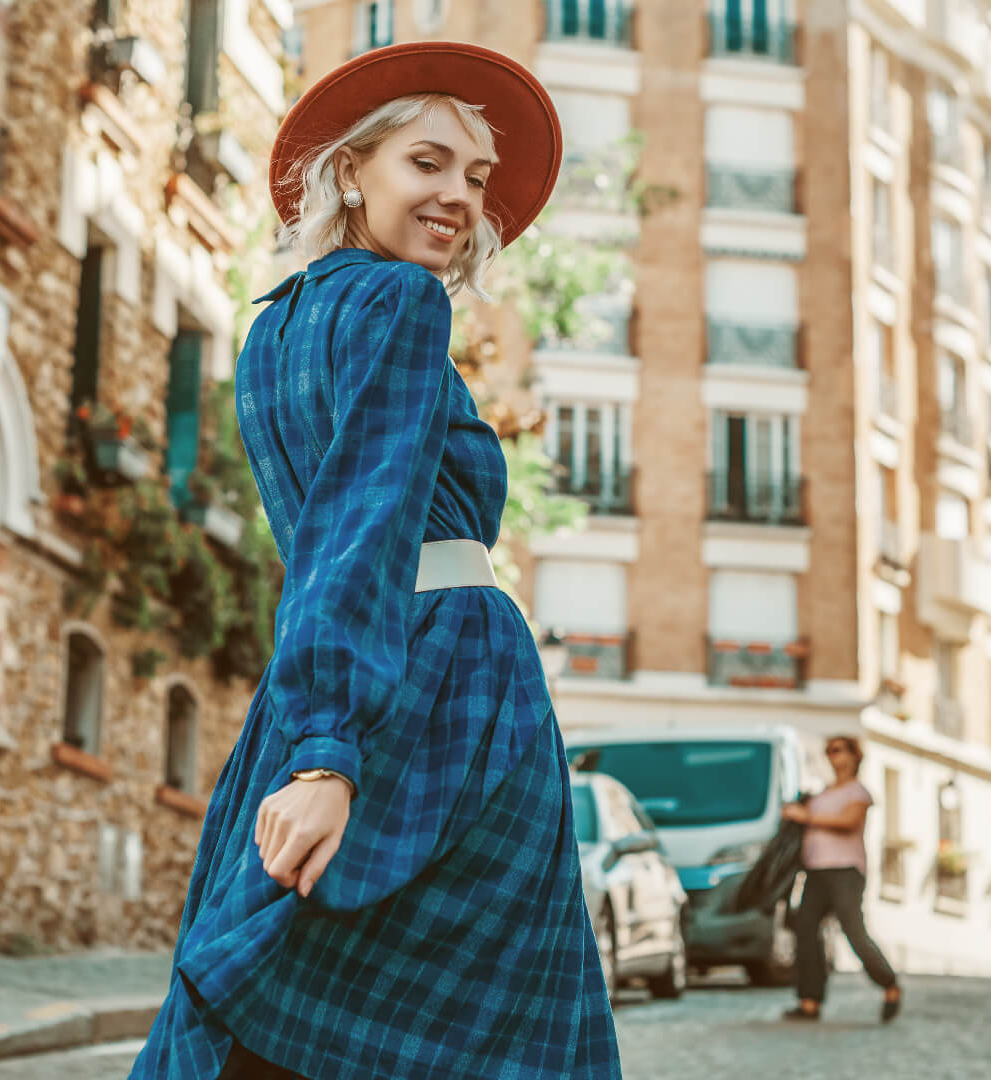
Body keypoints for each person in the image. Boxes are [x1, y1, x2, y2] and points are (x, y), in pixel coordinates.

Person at [128, 42, 621, 1079]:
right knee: (489, 1029)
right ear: (350, 171)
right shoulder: (401, 304)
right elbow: (361, 520)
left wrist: (316, 731)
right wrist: (324, 753)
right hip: (443, 688)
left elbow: (325, 545)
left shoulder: (273, 331)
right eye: (427, 163)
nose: (458, 197)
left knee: (301, 980)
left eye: (475, 179)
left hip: (348, 678)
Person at [778, 736, 901, 1023]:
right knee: (806, 930)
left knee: (853, 931)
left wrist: (806, 817)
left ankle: (889, 984)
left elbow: (849, 822)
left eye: (837, 750)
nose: (832, 757)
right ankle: (810, 1000)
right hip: (816, 871)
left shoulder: (857, 792)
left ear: (853, 756)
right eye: (829, 752)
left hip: (846, 871)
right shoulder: (822, 794)